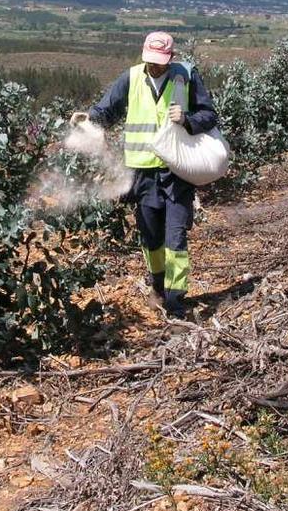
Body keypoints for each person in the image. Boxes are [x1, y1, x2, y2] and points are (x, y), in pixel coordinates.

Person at [72, 31, 219, 318]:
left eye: (161, 62)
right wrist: (88, 120)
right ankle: (158, 288)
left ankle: (176, 302)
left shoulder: (186, 76)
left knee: (175, 238)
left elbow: (209, 115)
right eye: (151, 62)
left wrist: (188, 120)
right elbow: (107, 110)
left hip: (177, 171)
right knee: (151, 238)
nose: (155, 67)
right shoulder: (131, 78)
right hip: (142, 173)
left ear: (171, 58)